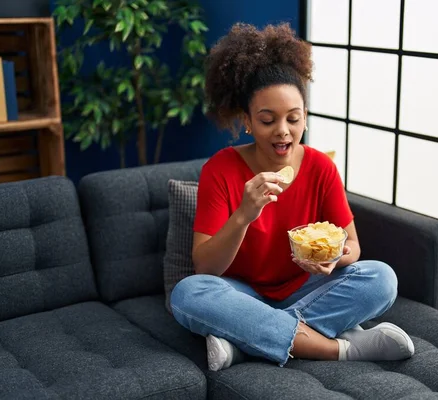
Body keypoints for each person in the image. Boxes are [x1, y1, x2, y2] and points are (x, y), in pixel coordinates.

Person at [170, 22, 414, 371]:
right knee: (188, 294)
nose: (283, 130)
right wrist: (243, 214)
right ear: (248, 122)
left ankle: (246, 340)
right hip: (241, 294)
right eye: (267, 120)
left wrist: (335, 260)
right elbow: (205, 268)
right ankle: (337, 348)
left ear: (305, 119)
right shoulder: (220, 169)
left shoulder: (320, 168)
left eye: (293, 118)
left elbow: (353, 247)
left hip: (307, 286)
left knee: (381, 279)